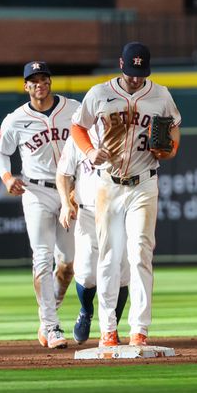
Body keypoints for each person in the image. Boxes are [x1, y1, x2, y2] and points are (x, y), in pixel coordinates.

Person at [70, 42, 181, 348]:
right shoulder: (98, 93)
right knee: (108, 256)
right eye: (132, 72)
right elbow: (78, 127)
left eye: (141, 72)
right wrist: (90, 151)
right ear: (121, 64)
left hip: (144, 183)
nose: (136, 78)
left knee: (140, 254)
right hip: (109, 184)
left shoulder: (160, 95)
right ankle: (107, 329)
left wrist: (167, 150)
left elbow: (173, 135)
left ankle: (140, 330)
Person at [0, 61, 80, 349]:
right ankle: (51, 325)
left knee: (68, 265)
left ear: (50, 82)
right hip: (36, 191)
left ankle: (48, 314)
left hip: (69, 191)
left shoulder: (73, 109)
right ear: (25, 86)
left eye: (44, 78)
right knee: (42, 257)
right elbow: (0, 152)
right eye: (34, 80)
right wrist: (7, 177)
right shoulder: (15, 119)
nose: (39, 84)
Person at [56, 136, 130, 345]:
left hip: (119, 212)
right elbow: (62, 174)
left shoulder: (127, 133)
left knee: (122, 273)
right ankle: (86, 310)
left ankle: (111, 329)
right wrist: (65, 203)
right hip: (88, 212)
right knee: (87, 272)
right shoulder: (79, 138)